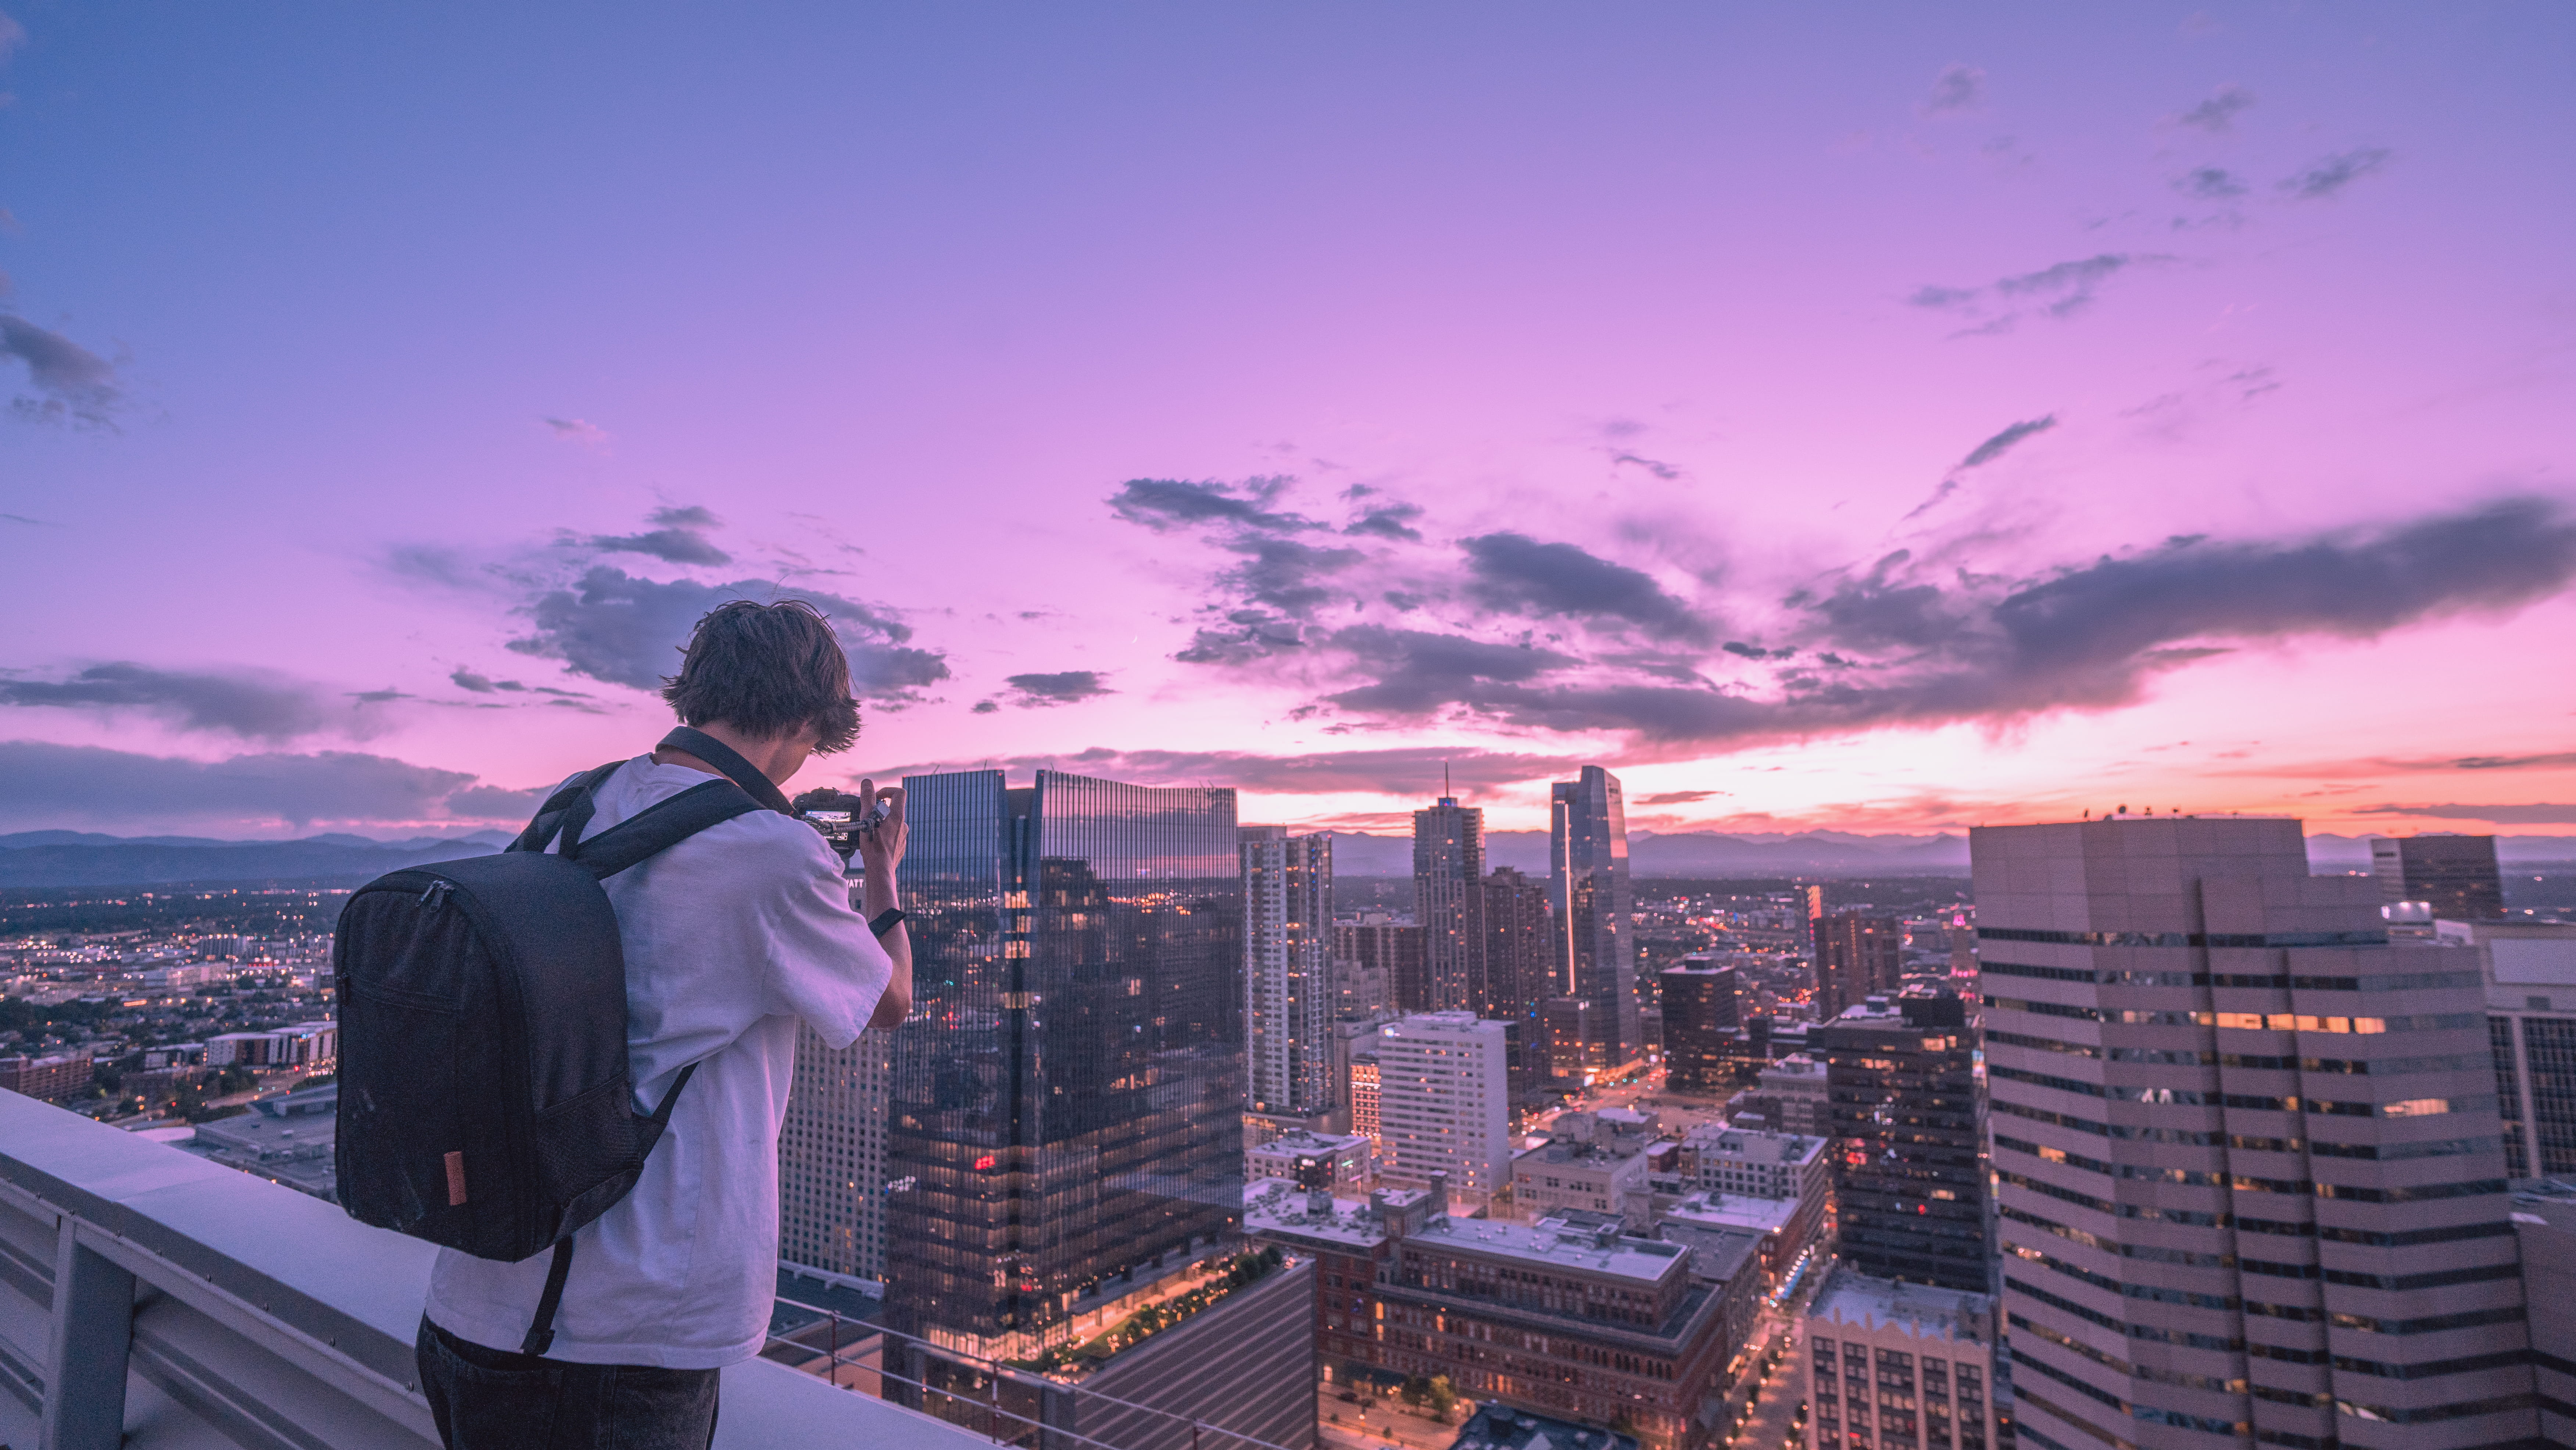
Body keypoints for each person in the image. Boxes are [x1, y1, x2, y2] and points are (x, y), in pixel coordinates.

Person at [414, 599, 912, 1450]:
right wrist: (881, 876)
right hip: (623, 1330)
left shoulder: (578, 802)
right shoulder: (771, 847)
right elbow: (888, 1000)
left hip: (475, 1295)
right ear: (804, 719)